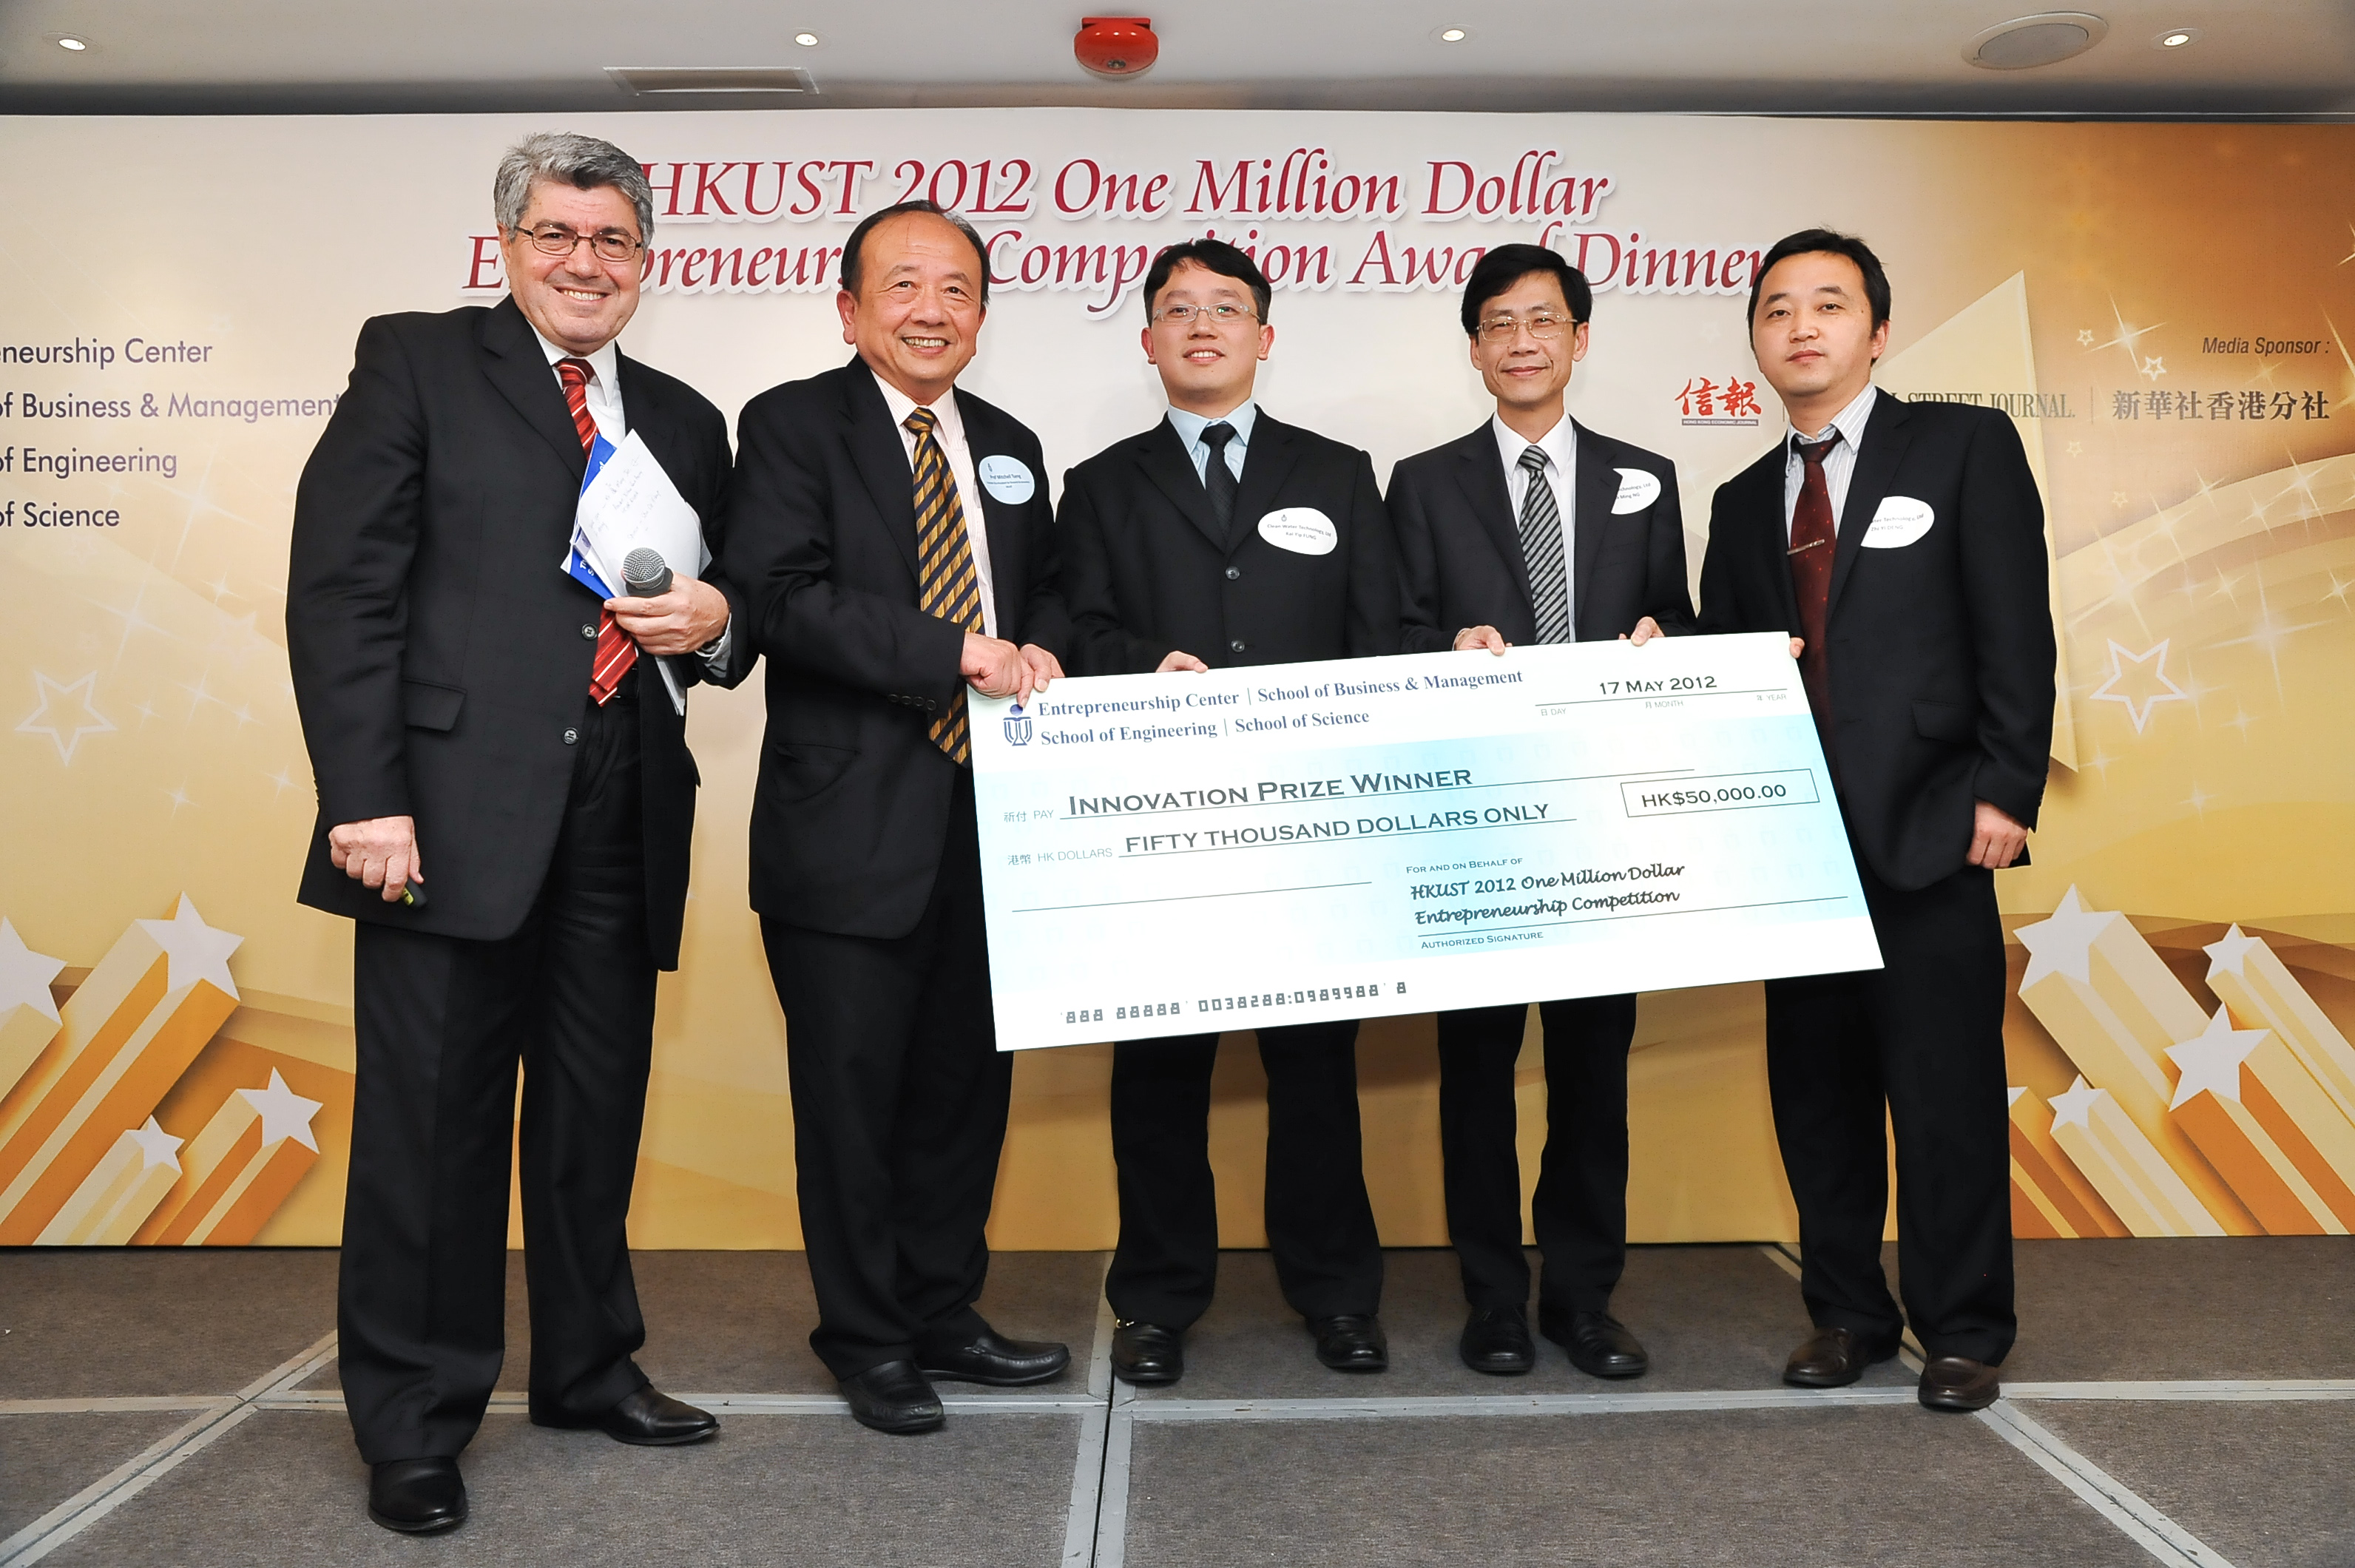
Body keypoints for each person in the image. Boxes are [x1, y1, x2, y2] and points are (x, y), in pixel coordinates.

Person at [287, 132, 746, 1535]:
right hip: (439, 814)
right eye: (557, 235)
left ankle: (589, 1370)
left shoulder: (685, 416)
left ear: (646, 260)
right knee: (432, 1130)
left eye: (613, 241)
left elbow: (721, 620)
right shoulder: (417, 361)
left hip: (624, 800)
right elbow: (341, 588)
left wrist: (721, 623)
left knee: (595, 1112)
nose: (584, 263)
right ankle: (416, 1421)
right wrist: (364, 795)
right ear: (507, 245)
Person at [721, 200, 1072, 1435]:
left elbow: (1051, 596)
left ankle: (941, 1310)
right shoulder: (790, 425)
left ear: (982, 313)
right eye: (905, 286)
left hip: (997, 827)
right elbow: (778, 598)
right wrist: (955, 652)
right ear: (850, 309)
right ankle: (866, 1338)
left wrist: (1047, 647)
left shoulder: (1013, 444)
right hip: (847, 828)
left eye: (958, 289)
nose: (933, 310)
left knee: (964, 1093)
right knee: (853, 1102)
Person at [1697, 229, 2053, 1412]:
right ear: (1756, 342)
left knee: (1945, 1096)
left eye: (1830, 304)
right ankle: (1845, 1312)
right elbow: (1728, 670)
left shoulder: (1961, 447)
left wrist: (2007, 787)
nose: (1801, 326)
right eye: (1777, 309)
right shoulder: (1741, 502)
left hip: (1934, 826)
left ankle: (1965, 1330)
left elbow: (2016, 623)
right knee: (1820, 1097)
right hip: (1795, 849)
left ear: (1878, 332)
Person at [1056, 239, 1399, 1387]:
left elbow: (1379, 635)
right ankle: (1157, 1302)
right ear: (1148, 339)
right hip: (1163, 826)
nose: (1202, 326)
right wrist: (1143, 665)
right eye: (1179, 309)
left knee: (1317, 1073)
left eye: (1227, 308)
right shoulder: (1100, 485)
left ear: (1265, 334)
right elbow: (1073, 630)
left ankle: (1338, 1294)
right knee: (1160, 1073)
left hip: (1313, 824)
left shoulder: (1339, 473)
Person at [1389, 244, 1694, 1379]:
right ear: (1474, 349)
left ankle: (1582, 1298)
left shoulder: (1644, 476)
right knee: (1476, 1072)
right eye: (1500, 324)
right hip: (1476, 823)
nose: (1523, 341)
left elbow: (1679, 615)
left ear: (1579, 338)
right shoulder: (1422, 483)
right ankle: (1493, 1301)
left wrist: (1668, 637)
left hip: (1604, 824)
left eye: (1543, 321)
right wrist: (1444, 647)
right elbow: (1389, 634)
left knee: (1591, 1071)